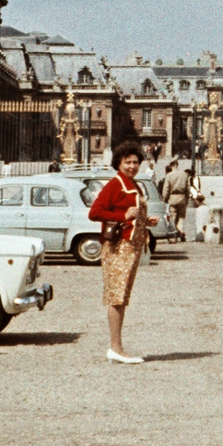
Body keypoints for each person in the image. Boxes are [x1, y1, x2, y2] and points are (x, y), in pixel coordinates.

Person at [87, 141, 158, 364]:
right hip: (118, 248)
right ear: (118, 163)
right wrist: (123, 217)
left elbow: (132, 213)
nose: (132, 166)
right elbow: (95, 212)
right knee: (116, 297)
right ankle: (116, 347)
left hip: (132, 247)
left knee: (122, 297)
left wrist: (146, 221)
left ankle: (117, 347)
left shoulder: (133, 184)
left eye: (135, 162)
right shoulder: (115, 184)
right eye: (127, 162)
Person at [160, 159, 191, 238]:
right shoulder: (184, 174)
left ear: (171, 166)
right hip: (182, 197)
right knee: (181, 216)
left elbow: (166, 190)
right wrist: (187, 199)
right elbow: (188, 189)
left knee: (172, 216)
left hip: (172, 197)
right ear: (177, 164)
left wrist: (164, 200)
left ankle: (173, 235)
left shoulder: (169, 176)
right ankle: (181, 230)